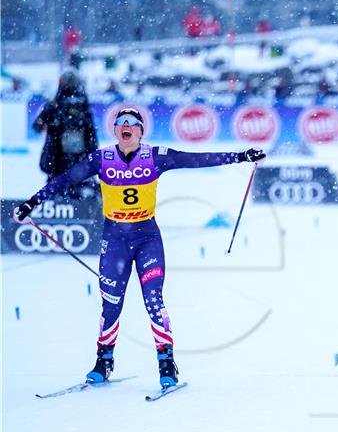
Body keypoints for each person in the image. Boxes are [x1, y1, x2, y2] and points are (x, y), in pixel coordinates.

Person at [14, 107, 266, 388]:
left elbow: (197, 159)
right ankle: (104, 361)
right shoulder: (103, 158)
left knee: (154, 301)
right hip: (114, 241)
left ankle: (167, 363)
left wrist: (242, 156)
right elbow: (64, 180)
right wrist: (31, 203)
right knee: (111, 305)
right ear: (115, 130)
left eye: (132, 123)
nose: (126, 126)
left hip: (147, 238)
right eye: (121, 122)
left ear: (140, 131)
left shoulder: (156, 156)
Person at [33, 69, 98, 200]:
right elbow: (90, 131)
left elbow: (38, 125)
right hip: (67, 157)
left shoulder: (57, 103)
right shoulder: (79, 103)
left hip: (61, 157)